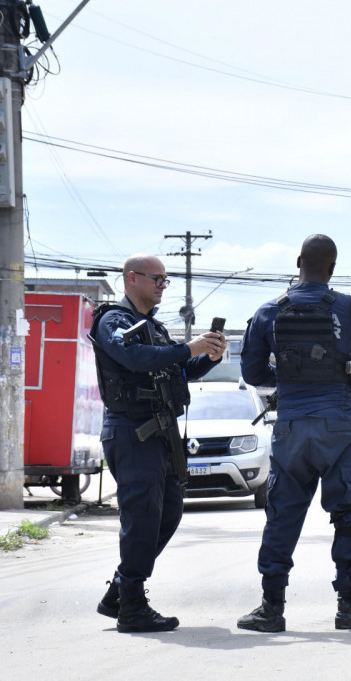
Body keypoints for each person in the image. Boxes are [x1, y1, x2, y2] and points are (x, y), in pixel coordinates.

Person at [237, 234, 351, 633]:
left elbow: (253, 374)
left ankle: (271, 609)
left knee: (282, 516)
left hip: (290, 427)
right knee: (347, 514)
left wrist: (291, 378)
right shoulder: (350, 307)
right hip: (338, 428)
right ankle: (349, 605)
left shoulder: (268, 311)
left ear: (297, 262)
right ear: (332, 268)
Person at [91, 254, 226, 633]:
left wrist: (208, 355)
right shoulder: (113, 321)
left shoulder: (154, 328)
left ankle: (121, 590)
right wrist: (189, 348)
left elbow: (178, 367)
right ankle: (131, 606)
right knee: (142, 518)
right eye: (158, 279)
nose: (163, 286)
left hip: (160, 432)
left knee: (167, 514)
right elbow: (133, 358)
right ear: (132, 279)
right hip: (133, 432)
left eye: (166, 280)